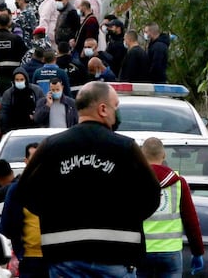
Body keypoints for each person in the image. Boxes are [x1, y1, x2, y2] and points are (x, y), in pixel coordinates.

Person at [18, 81, 161, 277]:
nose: (117, 112)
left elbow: (24, 191)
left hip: (63, 256)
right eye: (116, 106)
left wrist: (53, 215)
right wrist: (126, 217)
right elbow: (152, 194)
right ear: (103, 109)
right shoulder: (126, 148)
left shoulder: (51, 146)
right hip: (117, 255)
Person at [139, 137, 205, 278]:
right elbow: (191, 220)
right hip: (171, 252)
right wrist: (197, 251)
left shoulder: (133, 181)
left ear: (142, 155)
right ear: (164, 155)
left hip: (141, 250)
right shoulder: (178, 183)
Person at [0, 143, 47, 278]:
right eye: (35, 158)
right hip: (29, 259)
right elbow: (5, 228)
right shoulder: (16, 191)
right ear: (26, 161)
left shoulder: (56, 188)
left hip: (54, 260)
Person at [0, 67, 45, 133]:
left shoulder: (36, 90)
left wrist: (36, 116)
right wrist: (4, 130)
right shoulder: (8, 93)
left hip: (34, 129)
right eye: (17, 80)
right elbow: (4, 112)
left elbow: (42, 108)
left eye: (21, 79)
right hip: (14, 129)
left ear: (26, 79)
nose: (19, 82)